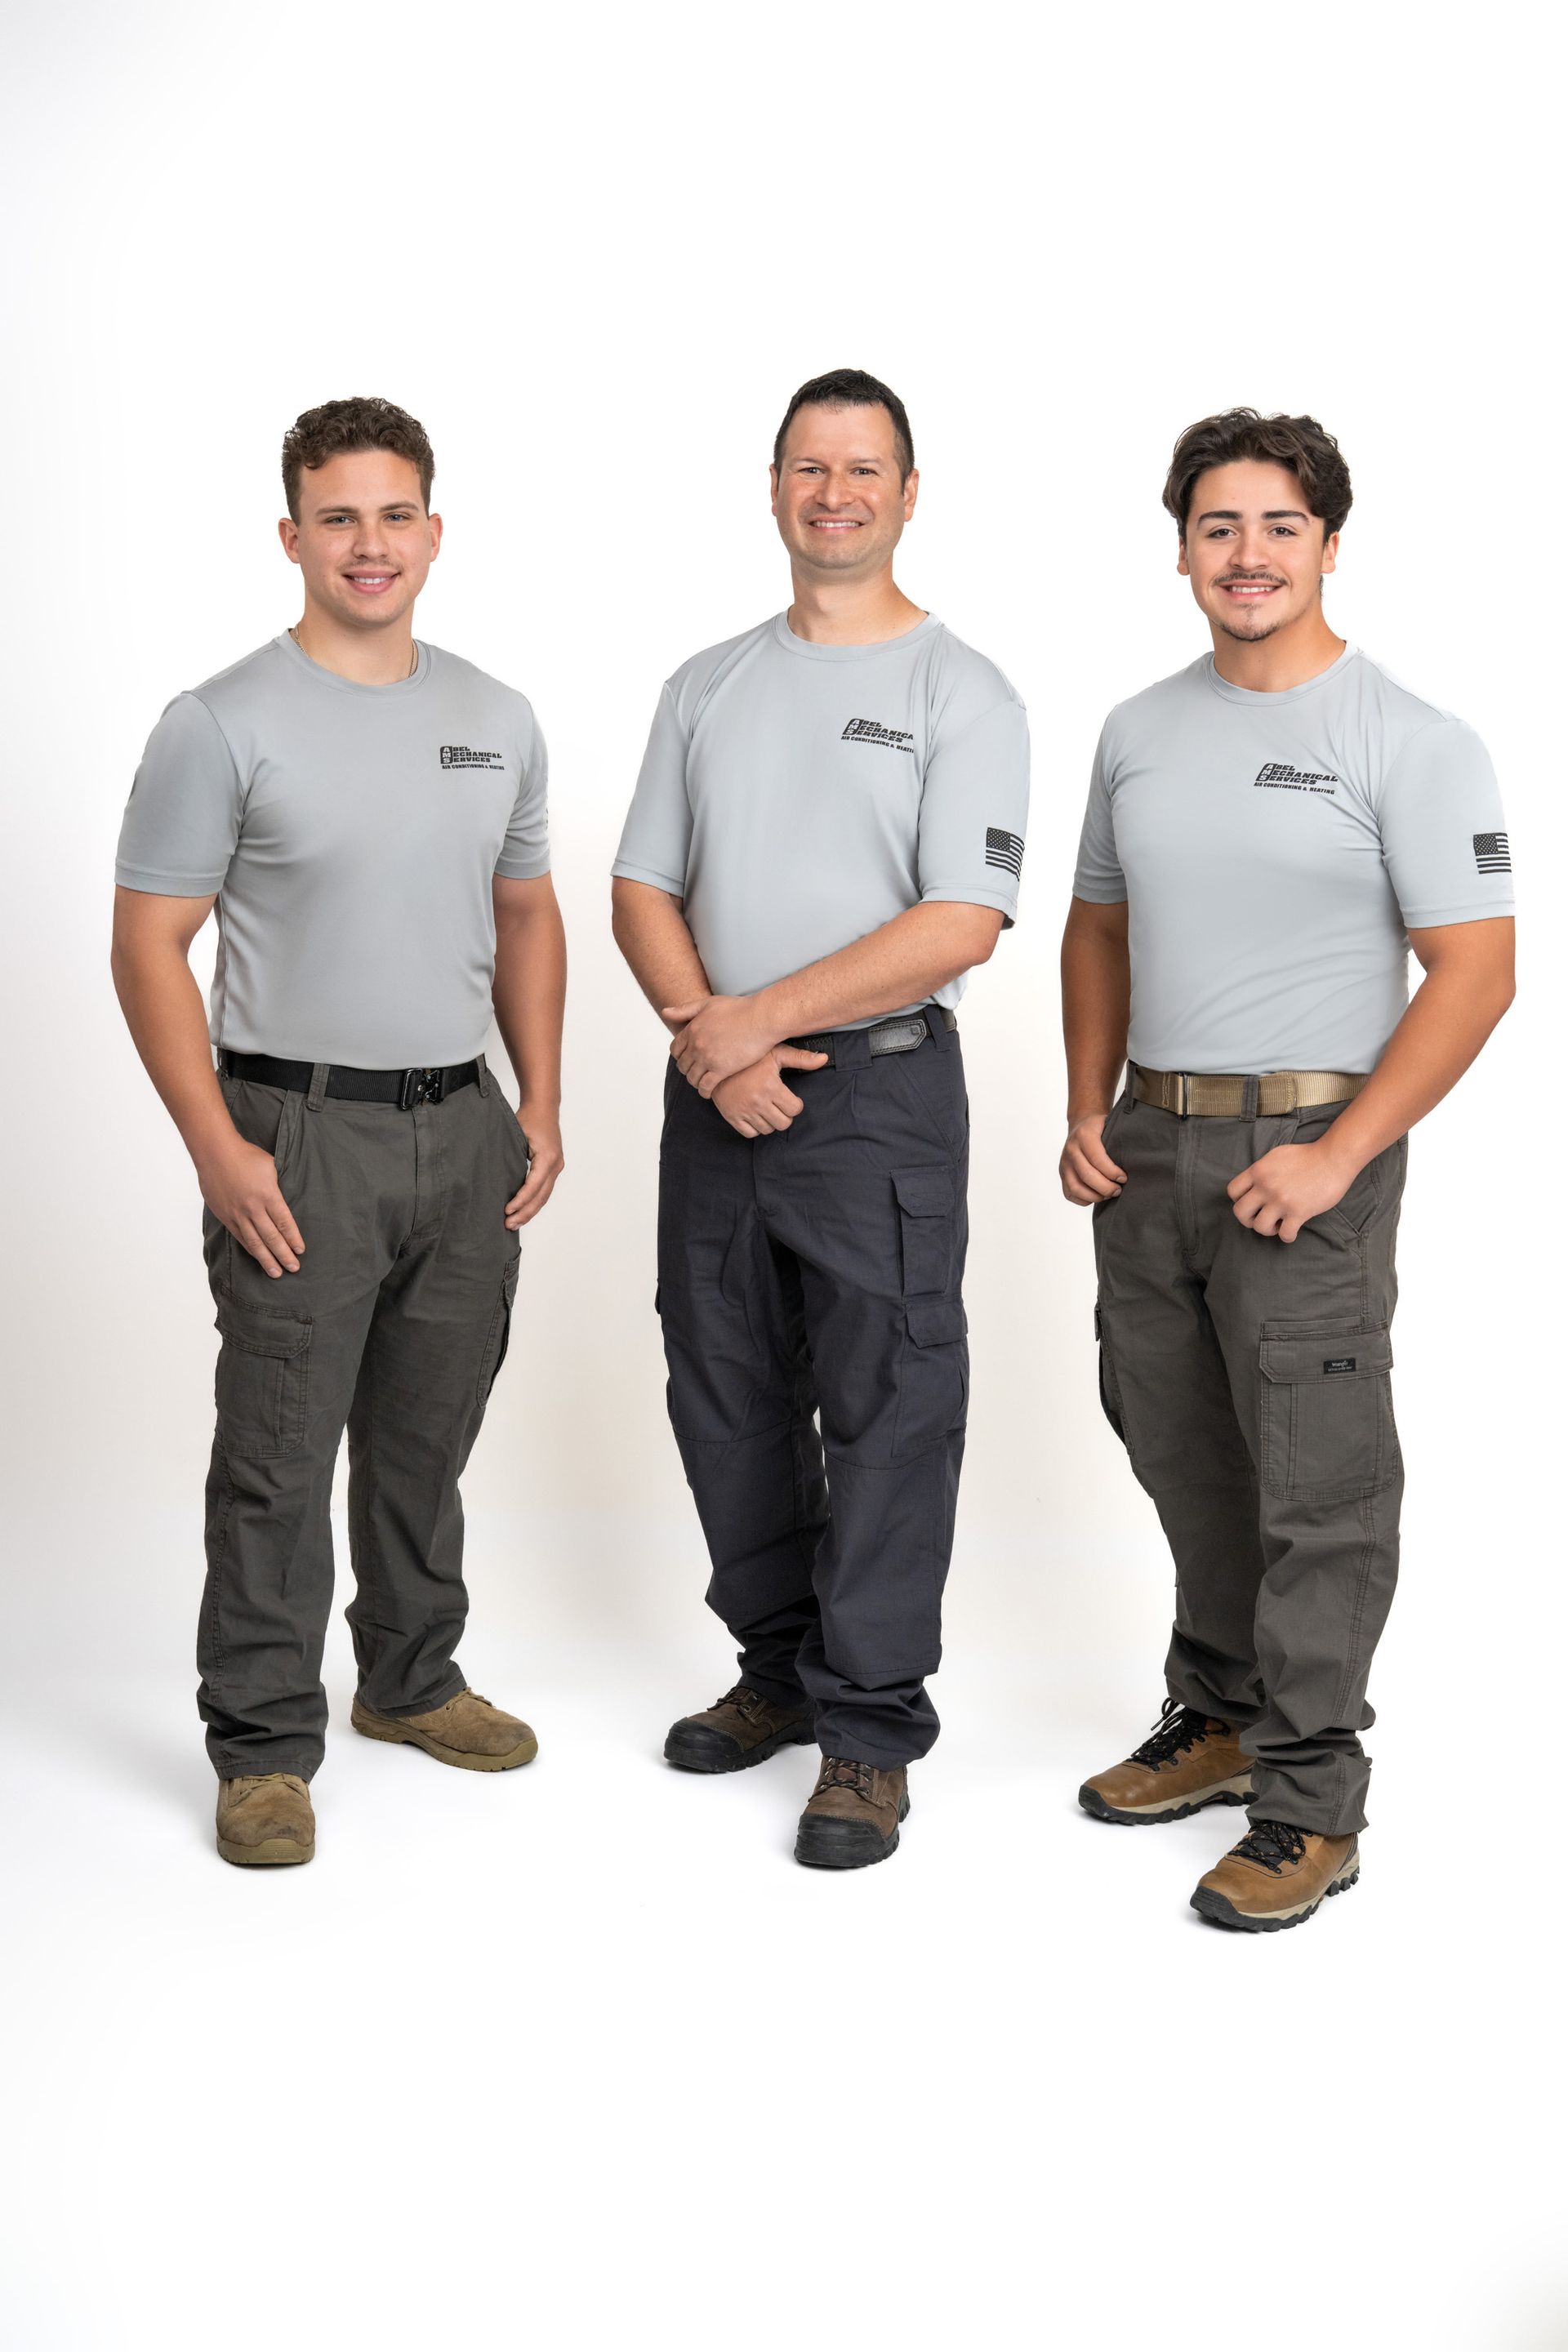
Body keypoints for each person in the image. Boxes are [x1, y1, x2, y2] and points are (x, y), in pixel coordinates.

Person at [1062, 408, 1514, 1930]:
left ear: (1328, 541)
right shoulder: (1140, 727)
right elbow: (1099, 930)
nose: (1245, 556)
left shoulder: (1411, 738)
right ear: (1182, 541)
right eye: (1216, 527)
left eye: (1276, 528)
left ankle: (1313, 1799)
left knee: (1318, 1486)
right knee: (1179, 1439)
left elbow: (1473, 972)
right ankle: (1225, 1711)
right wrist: (1086, 1107)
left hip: (1310, 1150)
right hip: (1152, 1139)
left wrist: (1338, 1154)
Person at [112, 397, 566, 1867]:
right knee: (280, 1450)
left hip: (463, 1132)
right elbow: (146, 947)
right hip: (296, 1133)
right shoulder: (223, 721)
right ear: (293, 534)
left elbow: (524, 912)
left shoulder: (496, 718)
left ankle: (412, 1681)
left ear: (434, 531)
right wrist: (218, 1149)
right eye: (339, 516)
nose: (370, 544)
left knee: (426, 1438)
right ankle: (261, 1745)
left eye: (395, 515)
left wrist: (538, 1104)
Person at [612, 368, 1029, 1869]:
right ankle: (776, 1671)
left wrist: (752, 1023)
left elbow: (965, 919)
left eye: (864, 470)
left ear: (908, 495)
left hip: (879, 1097)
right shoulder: (705, 682)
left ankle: (866, 1735)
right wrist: (710, 1048)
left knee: (889, 1408)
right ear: (775, 487)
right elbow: (641, 889)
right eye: (808, 466)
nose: (833, 492)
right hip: (714, 1093)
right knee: (722, 1390)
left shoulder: (958, 690)